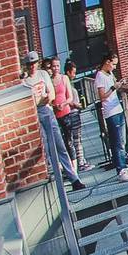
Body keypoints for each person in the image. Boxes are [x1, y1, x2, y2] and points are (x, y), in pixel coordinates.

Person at [27, 56, 85, 191]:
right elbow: (29, 102)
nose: (32, 66)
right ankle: (54, 179)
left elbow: (51, 95)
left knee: (60, 145)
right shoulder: (25, 81)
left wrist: (40, 101)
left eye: (34, 63)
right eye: (29, 64)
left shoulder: (43, 74)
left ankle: (74, 178)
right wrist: (41, 100)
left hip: (47, 112)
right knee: (45, 147)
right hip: (34, 115)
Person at [94, 52, 128, 179]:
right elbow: (102, 96)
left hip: (117, 109)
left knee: (121, 141)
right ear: (107, 62)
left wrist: (119, 84)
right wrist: (114, 87)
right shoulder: (100, 76)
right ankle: (120, 170)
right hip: (111, 112)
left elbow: (114, 85)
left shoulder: (109, 73)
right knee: (117, 142)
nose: (115, 67)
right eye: (113, 64)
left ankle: (123, 166)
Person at [57, 58, 87, 174]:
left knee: (76, 139)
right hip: (72, 113)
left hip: (73, 112)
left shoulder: (69, 82)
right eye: (73, 72)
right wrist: (76, 105)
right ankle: (80, 162)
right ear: (68, 72)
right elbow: (67, 99)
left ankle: (80, 161)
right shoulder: (66, 82)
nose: (74, 75)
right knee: (76, 139)